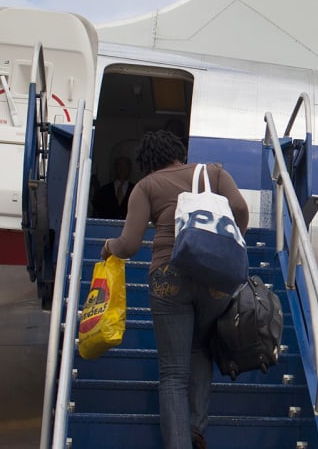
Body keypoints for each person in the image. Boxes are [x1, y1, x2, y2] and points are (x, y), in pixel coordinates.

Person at [102, 130, 249, 449]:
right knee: (200, 349)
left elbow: (129, 245)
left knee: (172, 372)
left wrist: (108, 246)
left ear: (147, 162)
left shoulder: (146, 186)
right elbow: (239, 209)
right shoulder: (214, 173)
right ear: (178, 152)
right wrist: (226, 243)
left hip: (169, 275)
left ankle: (178, 444)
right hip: (214, 275)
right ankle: (196, 428)